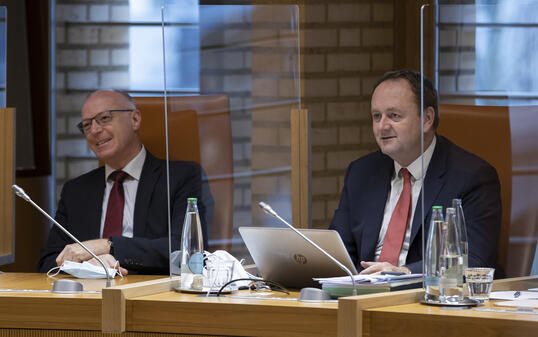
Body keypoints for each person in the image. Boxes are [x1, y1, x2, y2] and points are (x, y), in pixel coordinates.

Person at [329, 70, 501, 275]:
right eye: (376, 116)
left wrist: (403, 272)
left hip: (423, 297)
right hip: (362, 294)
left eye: (394, 116)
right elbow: (336, 254)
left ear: (427, 119)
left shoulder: (472, 177)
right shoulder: (361, 172)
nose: (382, 126)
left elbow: (473, 260)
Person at [37, 89, 208, 275]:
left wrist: (108, 246)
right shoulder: (76, 191)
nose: (94, 130)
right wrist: (86, 265)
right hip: (90, 295)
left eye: (104, 118)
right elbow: (48, 262)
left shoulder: (179, 177)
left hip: (150, 295)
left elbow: (186, 250)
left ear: (135, 119)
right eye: (87, 125)